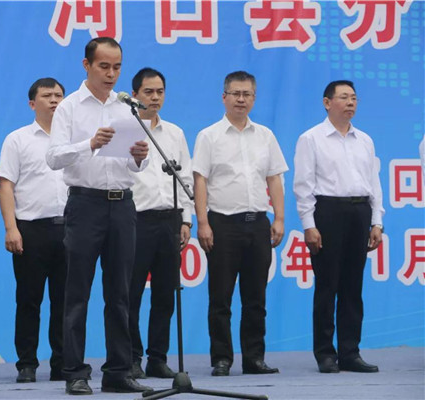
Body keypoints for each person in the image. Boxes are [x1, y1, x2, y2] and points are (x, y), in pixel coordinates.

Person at [46, 37, 152, 395]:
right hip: (85, 205)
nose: (111, 74)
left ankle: (118, 371)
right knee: (77, 292)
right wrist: (89, 144)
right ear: (86, 65)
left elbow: (136, 166)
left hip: (122, 205)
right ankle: (74, 371)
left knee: (120, 293)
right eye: (104, 66)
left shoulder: (127, 107)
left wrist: (138, 156)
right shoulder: (69, 107)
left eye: (117, 67)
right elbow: (53, 157)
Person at [193, 71, 287, 377]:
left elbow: (274, 178)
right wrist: (203, 222)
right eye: (236, 94)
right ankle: (221, 359)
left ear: (254, 99)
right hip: (222, 224)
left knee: (255, 298)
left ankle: (254, 358)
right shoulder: (209, 136)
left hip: (258, 223)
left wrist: (279, 218)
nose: (241, 99)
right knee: (220, 298)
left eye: (247, 94)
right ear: (224, 97)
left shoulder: (265, 135)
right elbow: (200, 180)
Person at [293, 80, 384, 374]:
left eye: (354, 98)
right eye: (344, 97)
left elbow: (374, 184)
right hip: (328, 212)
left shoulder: (365, 140)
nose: (350, 103)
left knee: (352, 287)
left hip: (360, 211)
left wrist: (377, 221)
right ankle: (325, 353)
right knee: (327, 286)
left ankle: (350, 352)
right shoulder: (311, 138)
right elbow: (303, 186)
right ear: (327, 102)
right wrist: (309, 224)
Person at [0, 78, 67, 383]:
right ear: (32, 103)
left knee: (65, 302)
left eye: (59, 95)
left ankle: (63, 363)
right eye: (47, 95)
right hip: (31, 230)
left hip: (69, 230)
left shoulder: (75, 139)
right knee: (28, 301)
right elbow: (6, 185)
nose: (54, 100)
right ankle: (26, 363)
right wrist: (11, 228)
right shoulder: (18, 139)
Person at [127, 68, 193, 380]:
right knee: (131, 294)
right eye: (148, 92)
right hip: (136, 220)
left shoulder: (175, 133)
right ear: (135, 95)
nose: (155, 98)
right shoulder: (125, 130)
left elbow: (185, 176)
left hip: (170, 219)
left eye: (160, 92)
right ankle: (131, 357)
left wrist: (186, 220)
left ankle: (158, 358)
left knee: (166, 294)